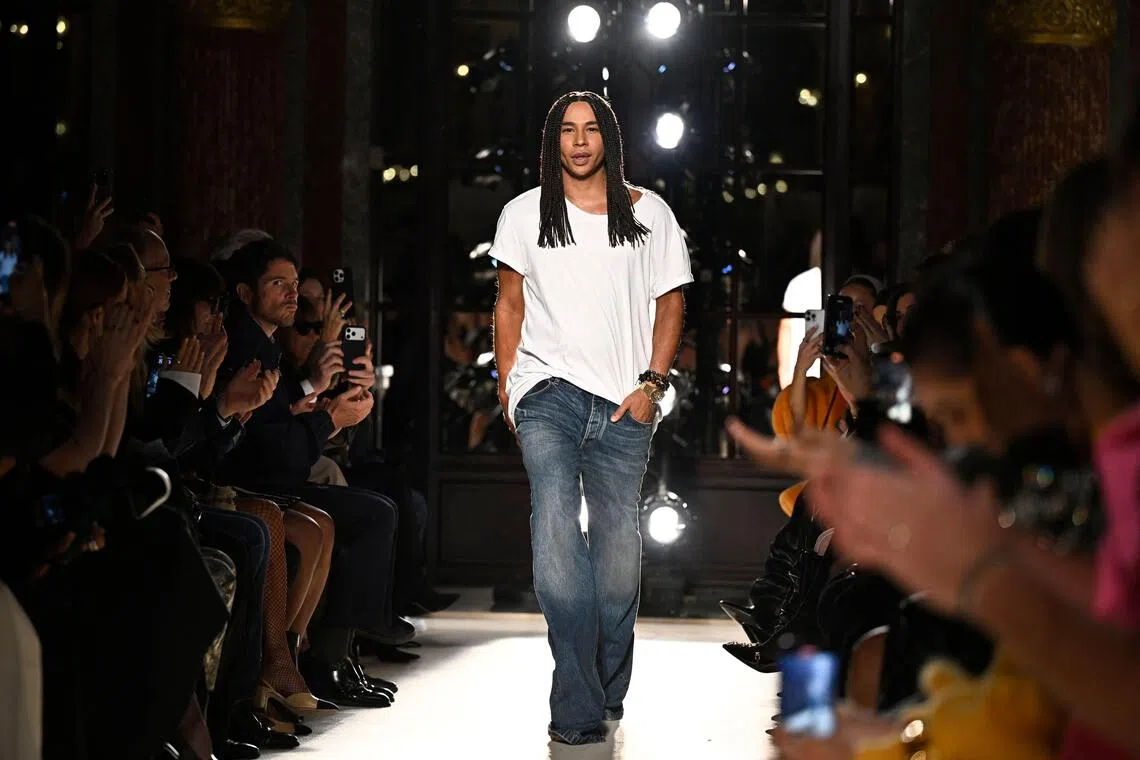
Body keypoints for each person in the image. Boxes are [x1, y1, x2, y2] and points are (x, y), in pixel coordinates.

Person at [491, 91, 692, 745]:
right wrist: (507, 385)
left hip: (624, 402)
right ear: (553, 142)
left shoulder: (648, 213)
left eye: (591, 129)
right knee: (553, 526)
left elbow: (670, 304)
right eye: (567, 131)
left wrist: (651, 385)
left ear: (608, 137)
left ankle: (606, 682)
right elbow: (509, 304)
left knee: (614, 555)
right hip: (546, 392)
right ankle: (575, 702)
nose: (579, 141)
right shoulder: (523, 213)